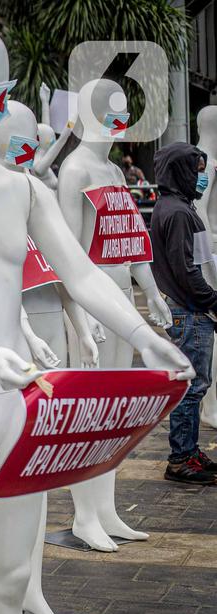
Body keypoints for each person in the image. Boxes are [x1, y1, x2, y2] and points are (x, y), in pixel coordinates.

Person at [149, 142, 216, 485]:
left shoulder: (179, 206)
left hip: (192, 309)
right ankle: (180, 458)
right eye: (197, 170)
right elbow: (186, 270)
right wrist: (212, 300)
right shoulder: (176, 212)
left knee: (196, 384)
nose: (202, 177)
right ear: (181, 171)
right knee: (192, 386)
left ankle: (189, 451)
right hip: (190, 311)